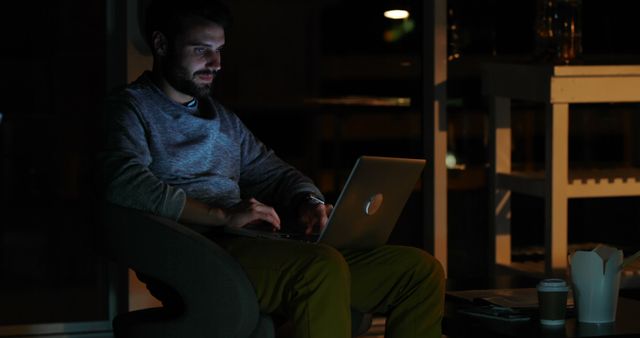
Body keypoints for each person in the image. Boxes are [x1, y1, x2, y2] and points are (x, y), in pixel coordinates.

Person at [100, 0, 445, 337]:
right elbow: (124, 181)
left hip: (248, 244)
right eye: (202, 49)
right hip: (201, 251)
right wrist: (221, 215)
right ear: (161, 44)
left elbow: (277, 173)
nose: (216, 63)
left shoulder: (221, 119)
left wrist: (308, 201)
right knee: (319, 267)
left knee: (418, 271)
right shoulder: (131, 108)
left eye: (219, 50)